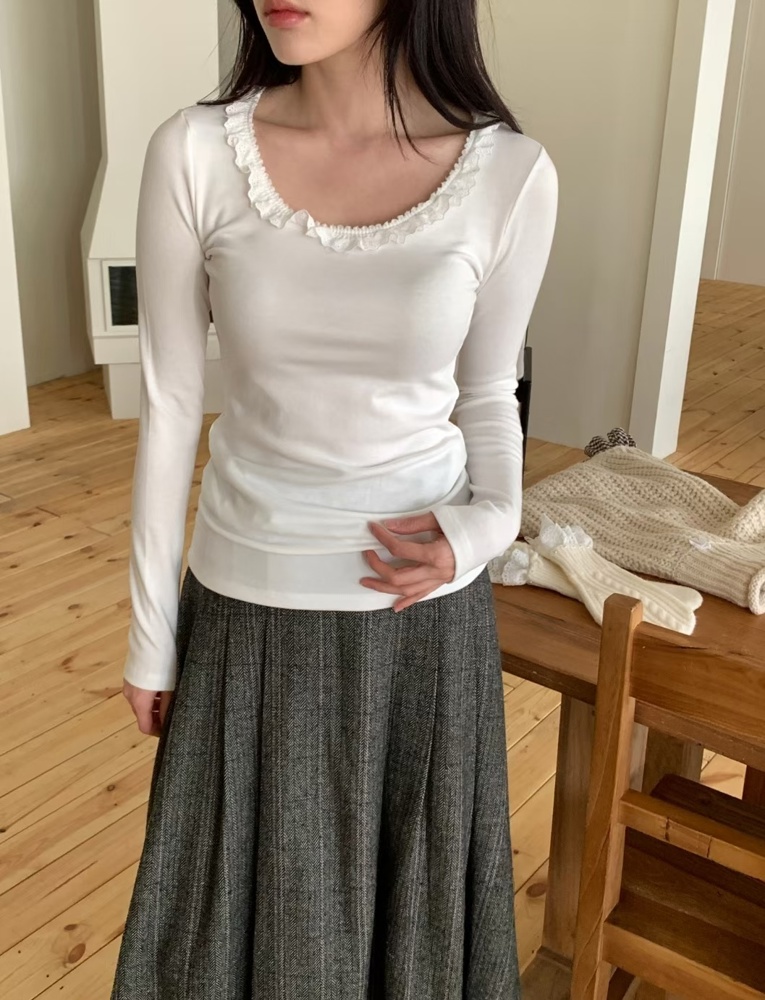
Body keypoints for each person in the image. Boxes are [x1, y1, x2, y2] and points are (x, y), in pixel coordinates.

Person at [110, 0, 558, 996]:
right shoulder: (194, 152)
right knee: (218, 936)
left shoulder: (512, 175)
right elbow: (171, 403)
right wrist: (150, 636)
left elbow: (490, 392)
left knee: (411, 942)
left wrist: (484, 528)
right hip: (243, 611)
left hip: (422, 625)